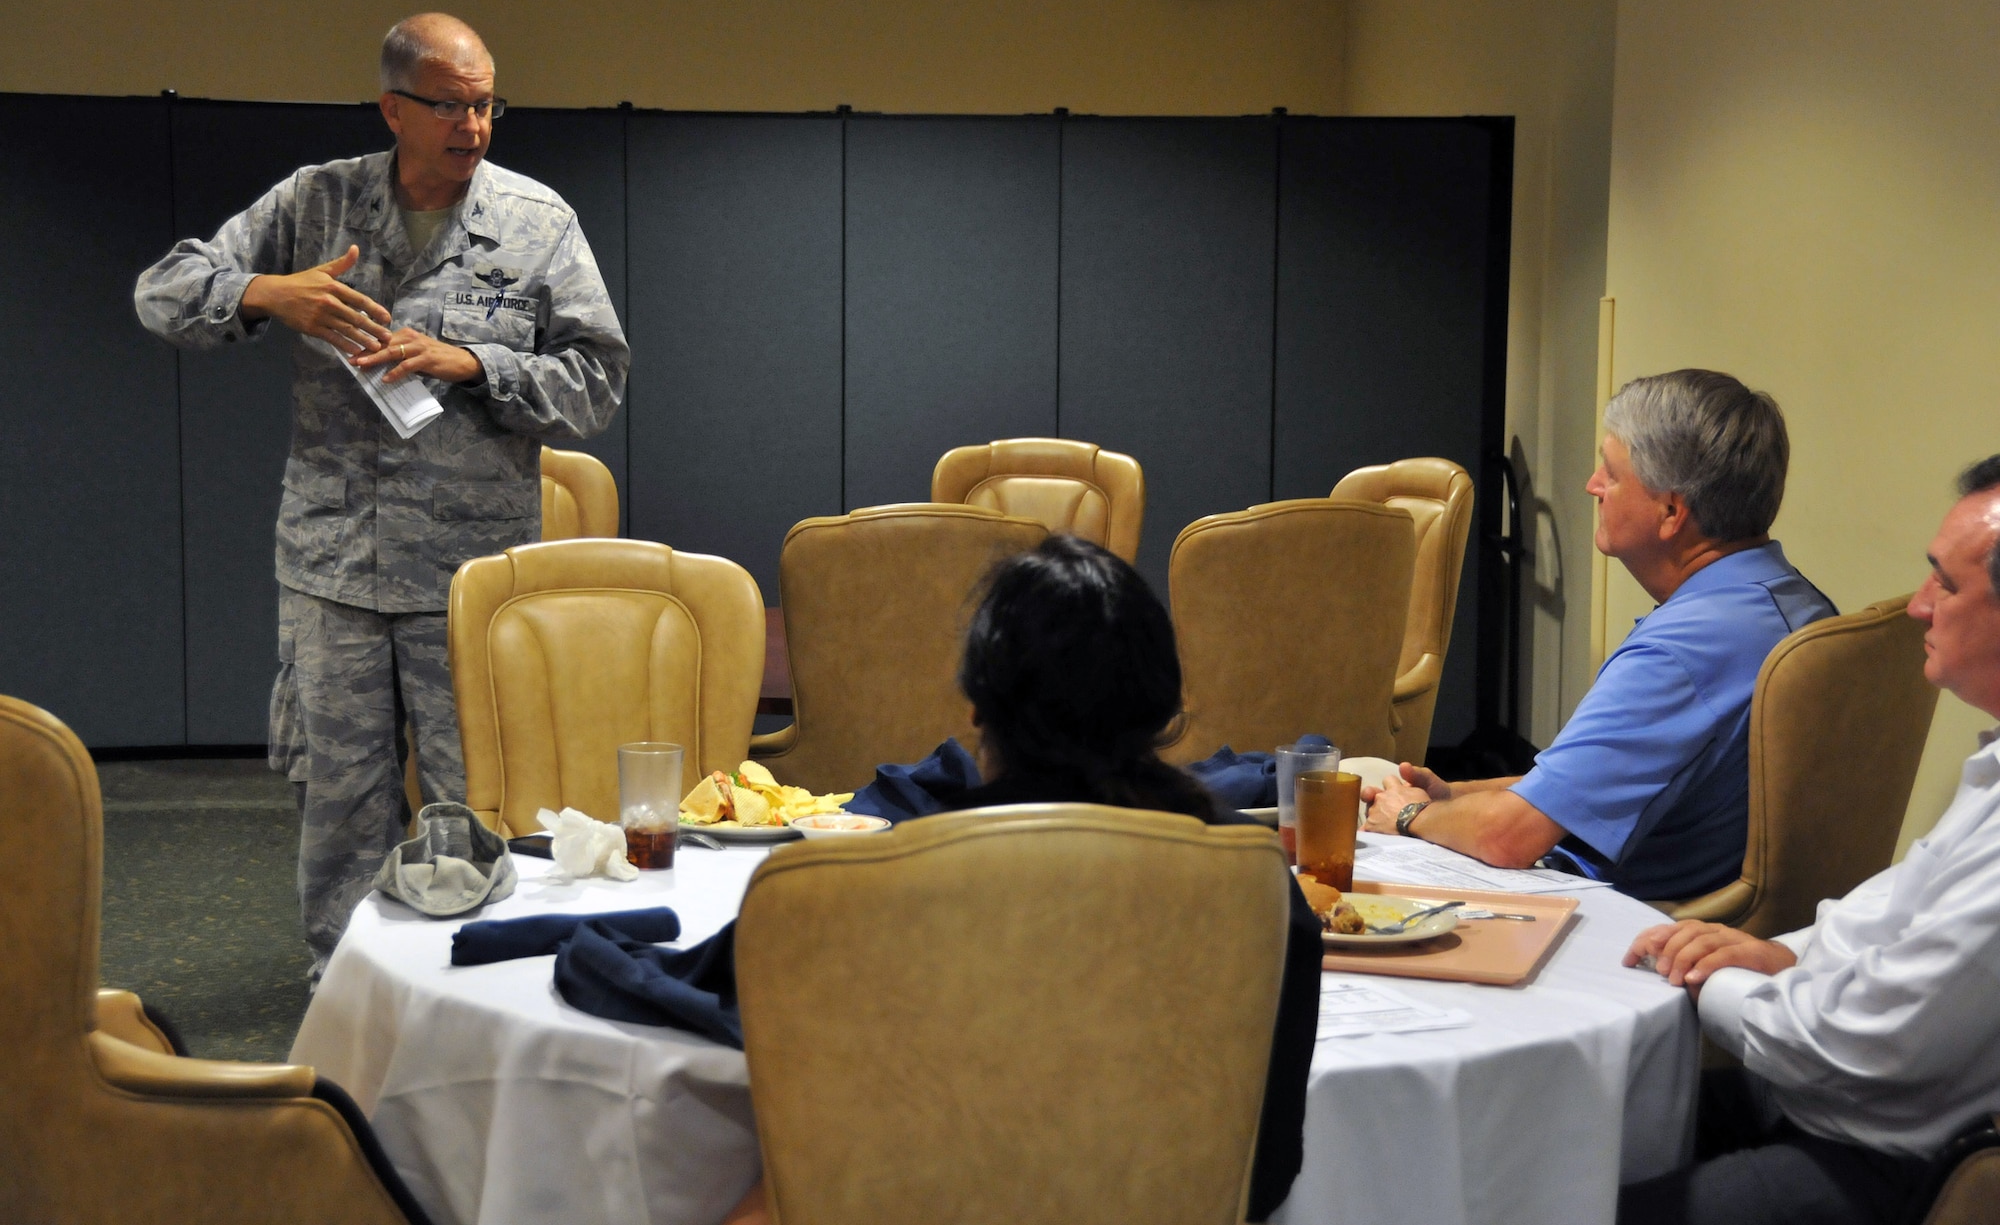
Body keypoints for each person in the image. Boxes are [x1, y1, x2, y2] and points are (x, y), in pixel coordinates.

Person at [132, 13, 629, 974]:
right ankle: (347, 993)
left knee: (473, 797)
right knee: (341, 801)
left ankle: (470, 991)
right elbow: (164, 290)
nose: (475, 126)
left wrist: (476, 362)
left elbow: (599, 381)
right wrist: (269, 294)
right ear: (395, 108)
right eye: (451, 106)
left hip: (468, 575)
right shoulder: (317, 204)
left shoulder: (536, 222)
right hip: (334, 565)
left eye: (487, 103)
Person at [724, 536, 1322, 1224]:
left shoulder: (863, 894)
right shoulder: (1256, 886)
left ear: (978, 705)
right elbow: (1266, 1171)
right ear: (1162, 706)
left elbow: (827, 1171)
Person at [1617, 455, 2000, 1225]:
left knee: (1555, 1196)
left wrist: (1705, 978)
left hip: (1893, 1164)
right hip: (1833, 1090)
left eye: (1948, 586)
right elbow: (1896, 903)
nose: (1919, 607)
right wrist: (1785, 951)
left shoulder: (1684, 640)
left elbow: (1855, 1044)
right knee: (1567, 1124)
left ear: (1673, 507)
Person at [1363, 369, 1835, 902]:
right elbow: (1586, 786)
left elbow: (1507, 836)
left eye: (1610, 474)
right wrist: (1453, 797)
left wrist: (1410, 814)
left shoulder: (1680, 652)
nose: (1592, 486)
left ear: (1672, 511)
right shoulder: (1799, 603)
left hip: (1634, 922)